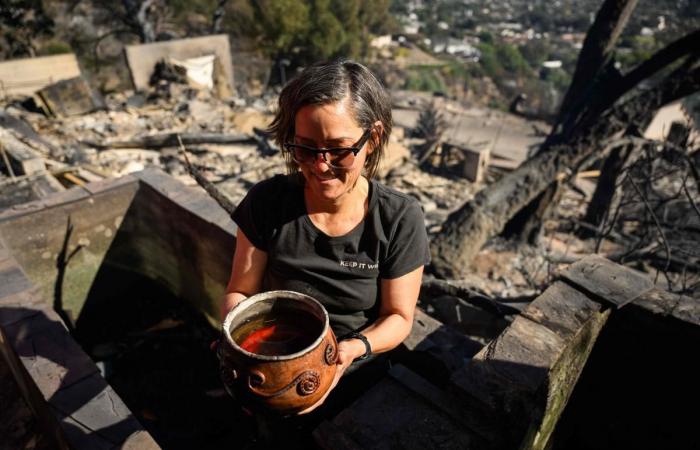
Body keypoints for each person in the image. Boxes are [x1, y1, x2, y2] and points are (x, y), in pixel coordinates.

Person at [221, 59, 430, 413]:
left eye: (338, 149)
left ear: (373, 139)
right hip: (271, 364)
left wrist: (350, 350)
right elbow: (240, 291)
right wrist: (236, 341)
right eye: (305, 148)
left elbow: (398, 317)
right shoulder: (268, 204)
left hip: (359, 377)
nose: (320, 165)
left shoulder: (398, 219)